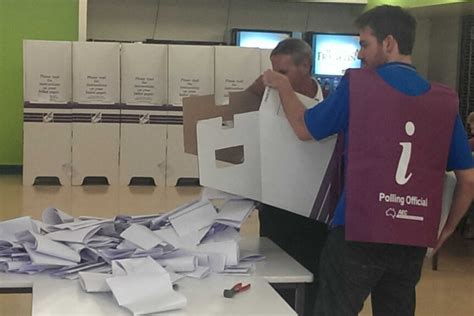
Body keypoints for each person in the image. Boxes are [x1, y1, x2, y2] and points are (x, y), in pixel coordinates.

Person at [262, 5, 474, 316]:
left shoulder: (358, 85)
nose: (360, 54)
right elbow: (468, 179)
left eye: (364, 44)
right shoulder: (444, 100)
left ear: (389, 43)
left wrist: (281, 85)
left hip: (357, 232)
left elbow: (304, 127)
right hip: (412, 238)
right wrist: (445, 232)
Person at [247, 38, 334, 316]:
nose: (275, 78)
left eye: (282, 72)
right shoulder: (267, 97)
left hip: (317, 213)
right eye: (272, 70)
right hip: (276, 207)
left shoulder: (333, 102)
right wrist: (258, 86)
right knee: (274, 276)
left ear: (306, 66)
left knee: (313, 280)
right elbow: (238, 106)